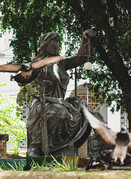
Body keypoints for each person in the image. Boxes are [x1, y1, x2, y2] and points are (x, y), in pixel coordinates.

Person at [14, 27, 96, 157]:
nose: (56, 48)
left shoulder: (62, 63)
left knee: (82, 111)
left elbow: (82, 58)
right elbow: (24, 77)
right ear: (45, 46)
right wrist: (23, 77)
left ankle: (63, 146)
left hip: (59, 101)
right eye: (53, 45)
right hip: (43, 102)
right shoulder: (38, 64)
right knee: (58, 112)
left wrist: (85, 38)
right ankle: (37, 145)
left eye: (57, 46)